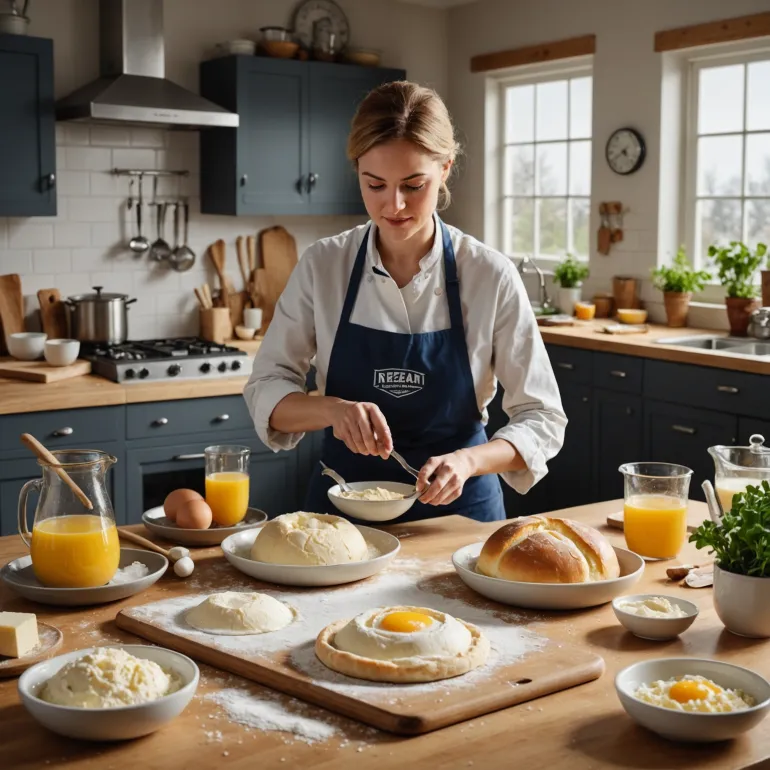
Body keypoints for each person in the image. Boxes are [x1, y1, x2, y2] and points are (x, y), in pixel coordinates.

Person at [244, 81, 566, 523]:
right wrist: (331, 410)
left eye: (413, 185)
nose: (393, 205)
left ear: (446, 168)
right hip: (342, 516)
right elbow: (266, 388)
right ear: (357, 170)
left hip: (459, 518)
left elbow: (542, 416)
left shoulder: (488, 275)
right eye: (374, 184)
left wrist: (469, 462)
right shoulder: (325, 266)